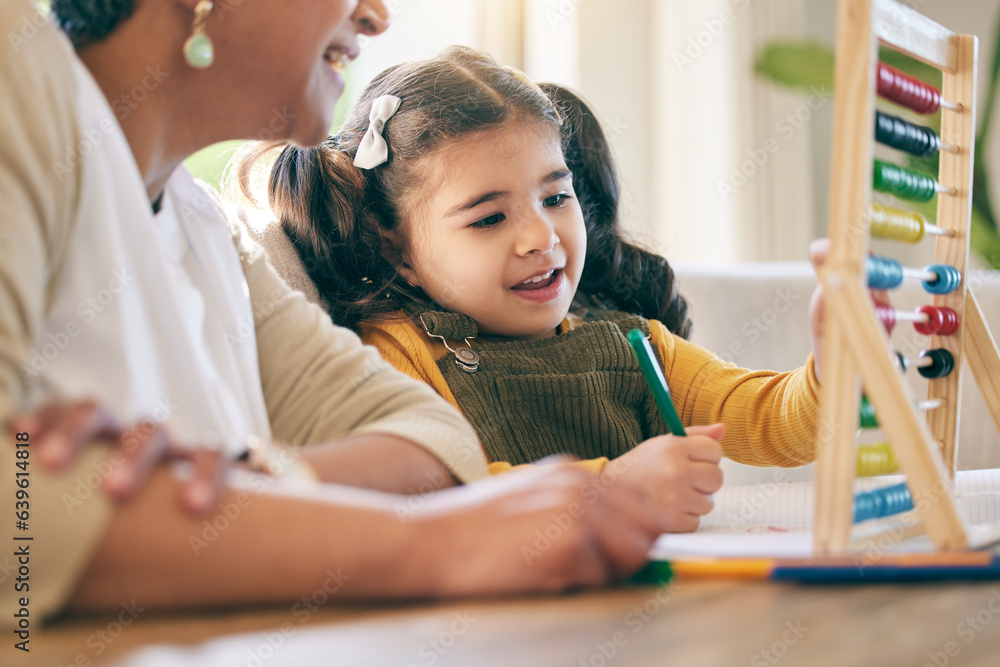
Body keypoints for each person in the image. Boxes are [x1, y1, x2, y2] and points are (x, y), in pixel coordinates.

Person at [0, 0, 667, 626]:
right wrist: (439, 543)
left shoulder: (198, 221)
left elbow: (434, 437)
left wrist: (246, 482)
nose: (377, 16)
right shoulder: (14, 69)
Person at [249, 47, 826, 531]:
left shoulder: (635, 345)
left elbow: (779, 422)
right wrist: (613, 487)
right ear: (395, 249)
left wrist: (831, 368)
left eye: (555, 198)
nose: (540, 236)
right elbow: (437, 489)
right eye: (488, 219)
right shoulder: (399, 355)